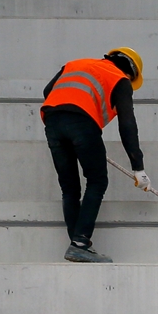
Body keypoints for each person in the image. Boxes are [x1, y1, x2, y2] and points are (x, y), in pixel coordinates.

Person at [40, 47, 150, 263]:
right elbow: (127, 124)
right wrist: (138, 167)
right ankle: (80, 244)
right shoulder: (120, 79)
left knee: (69, 188)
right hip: (82, 125)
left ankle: (77, 244)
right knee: (97, 180)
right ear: (130, 71)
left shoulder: (74, 64)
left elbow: (47, 92)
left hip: (52, 122)